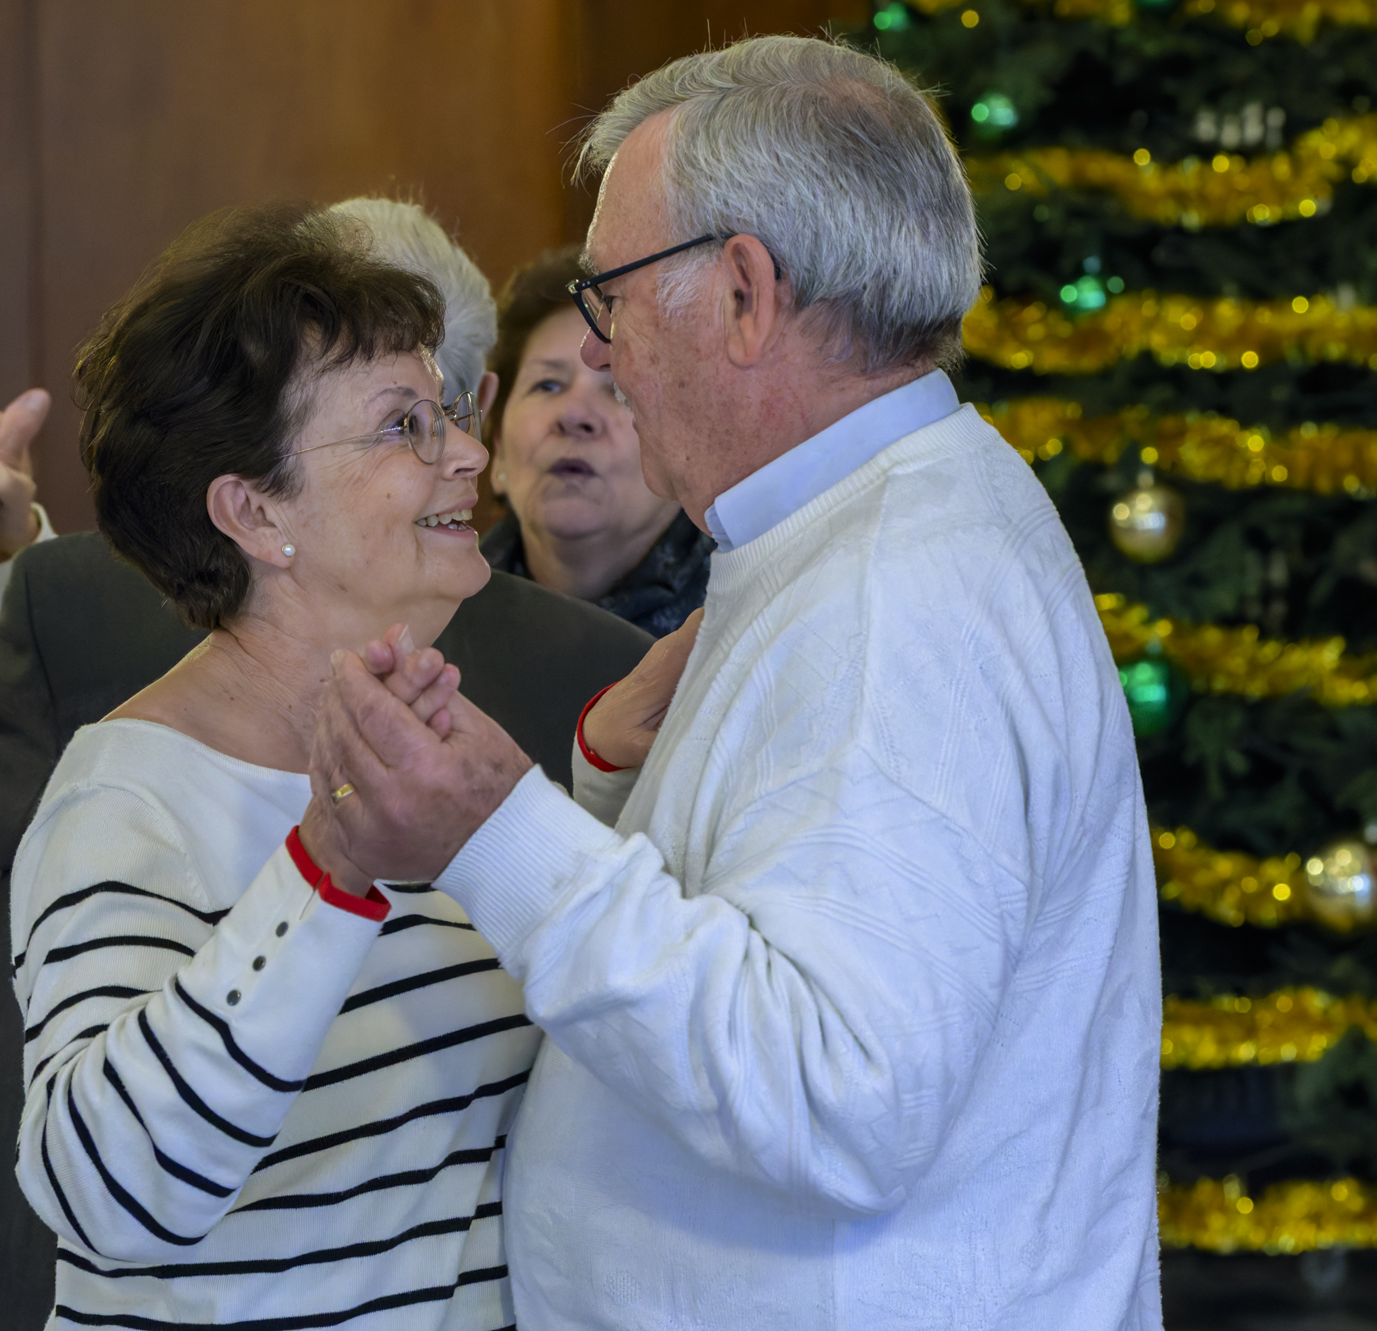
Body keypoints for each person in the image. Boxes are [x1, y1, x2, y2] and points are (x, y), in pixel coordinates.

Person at [305, 35, 1164, 1330]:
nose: (604, 357)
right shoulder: (861, 524)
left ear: (749, 294)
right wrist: (605, 786)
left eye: (614, 299)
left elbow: (836, 1091)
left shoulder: (896, 593)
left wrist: (501, 829)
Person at [0, 202, 651, 1331]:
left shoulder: (429, 736)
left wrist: (593, 776)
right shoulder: (129, 799)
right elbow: (111, 1193)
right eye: (405, 425)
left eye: (447, 410)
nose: (469, 453)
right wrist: (327, 873)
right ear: (254, 510)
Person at [479, 247, 711, 635]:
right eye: (546, 385)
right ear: (497, 451)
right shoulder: (431, 622)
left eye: (619, 389)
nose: (574, 415)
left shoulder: (749, 620)